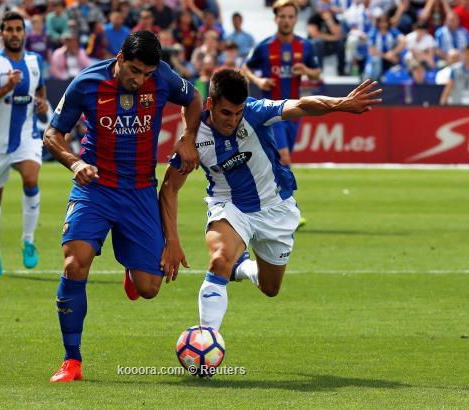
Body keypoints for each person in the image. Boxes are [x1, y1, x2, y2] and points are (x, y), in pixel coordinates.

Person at [159, 69, 382, 335]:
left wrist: (340, 104)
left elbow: (300, 105)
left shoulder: (256, 112)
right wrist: (171, 241)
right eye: (226, 113)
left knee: (270, 288)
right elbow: (169, 188)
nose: (232, 121)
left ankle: (240, 267)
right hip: (230, 207)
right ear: (210, 104)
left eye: (237, 112)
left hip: (275, 207)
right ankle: (206, 341)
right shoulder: (194, 139)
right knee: (219, 259)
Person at [42, 30, 202, 382]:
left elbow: (195, 99)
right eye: (134, 71)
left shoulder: (162, 77)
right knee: (75, 262)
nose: (140, 79)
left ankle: (132, 270)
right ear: (119, 58)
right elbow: (52, 136)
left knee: (149, 289)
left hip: (140, 191)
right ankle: (72, 360)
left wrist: (188, 137)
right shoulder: (86, 83)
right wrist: (74, 163)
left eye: (146, 73)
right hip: (95, 188)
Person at [0, 11, 48, 276]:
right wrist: (6, 89)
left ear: (25, 33)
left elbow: (40, 88)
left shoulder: (35, 60)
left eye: (19, 29)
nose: (15, 34)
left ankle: (28, 242)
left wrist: (42, 103)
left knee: (31, 178)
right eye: (10, 29)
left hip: (27, 134)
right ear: (1, 33)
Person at [243, 0, 320, 227]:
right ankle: (289, 210)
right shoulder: (265, 46)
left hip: (295, 111)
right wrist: (259, 80)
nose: (286, 20)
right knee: (284, 158)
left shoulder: (305, 46)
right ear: (275, 18)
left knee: (280, 162)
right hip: (272, 110)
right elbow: (245, 67)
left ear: (295, 19)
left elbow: (316, 74)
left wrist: (305, 70)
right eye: (282, 16)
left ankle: (272, 207)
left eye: (290, 16)